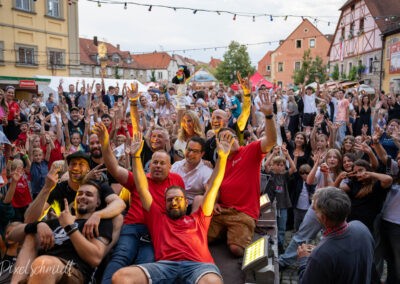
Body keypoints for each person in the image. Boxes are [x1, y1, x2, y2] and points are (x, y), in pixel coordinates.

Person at [111, 130, 233, 284]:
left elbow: (213, 187)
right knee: (121, 278)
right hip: (165, 266)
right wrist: (136, 157)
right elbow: (142, 188)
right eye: (170, 200)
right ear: (165, 203)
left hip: (198, 266)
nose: (174, 202)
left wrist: (222, 158)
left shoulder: (199, 218)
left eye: (178, 199)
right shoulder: (157, 217)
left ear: (186, 202)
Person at [92, 122, 185, 284]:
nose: (158, 166)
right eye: (155, 162)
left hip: (155, 230)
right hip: (132, 227)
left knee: (145, 265)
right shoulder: (140, 178)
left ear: (170, 167)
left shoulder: (177, 180)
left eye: (162, 163)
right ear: (150, 165)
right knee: (120, 257)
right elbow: (113, 167)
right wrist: (105, 143)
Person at [207, 90, 277, 257]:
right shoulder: (221, 160)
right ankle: (227, 232)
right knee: (201, 238)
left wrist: (268, 116)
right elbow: (211, 184)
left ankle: (234, 234)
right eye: (225, 138)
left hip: (243, 213)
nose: (231, 140)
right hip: (221, 210)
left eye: (232, 137)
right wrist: (215, 201)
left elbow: (271, 141)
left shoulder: (250, 151)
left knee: (236, 250)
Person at [10, 180, 113, 284]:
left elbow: (95, 259)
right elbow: (12, 235)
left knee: (44, 264)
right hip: (43, 269)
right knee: (31, 235)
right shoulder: (59, 220)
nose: (82, 197)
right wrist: (38, 225)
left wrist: (69, 227)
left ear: (98, 202)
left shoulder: (98, 223)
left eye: (89, 194)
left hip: (73, 272)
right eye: (80, 193)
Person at [297, 187, 374, 284]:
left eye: (315, 210)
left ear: (323, 218)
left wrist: (304, 259)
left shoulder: (320, 255)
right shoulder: (361, 228)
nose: (314, 212)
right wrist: (321, 249)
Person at [171, 136, 213, 214]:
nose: (191, 154)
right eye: (189, 150)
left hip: (192, 208)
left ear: (202, 154)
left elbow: (211, 192)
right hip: (173, 204)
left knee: (199, 199)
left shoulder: (206, 171)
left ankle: (192, 225)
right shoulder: (176, 166)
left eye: (195, 151)